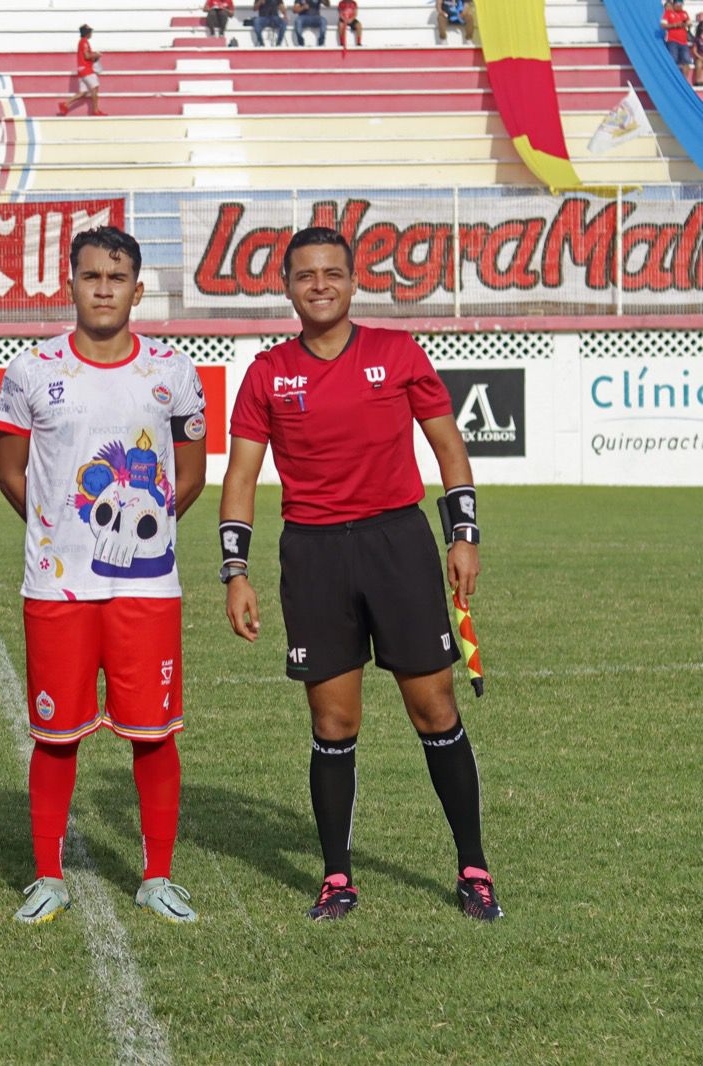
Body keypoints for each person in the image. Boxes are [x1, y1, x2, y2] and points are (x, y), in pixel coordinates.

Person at [219, 226, 503, 923]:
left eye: (332, 273)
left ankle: (474, 867)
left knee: (435, 708)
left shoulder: (397, 353)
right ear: (285, 286)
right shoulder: (266, 373)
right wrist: (235, 570)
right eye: (306, 274)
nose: (320, 284)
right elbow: (243, 475)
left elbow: (447, 445)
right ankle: (337, 878)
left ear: (353, 281)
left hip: (397, 544)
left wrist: (462, 535)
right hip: (313, 553)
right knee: (333, 718)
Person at [0, 226, 208, 925]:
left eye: (117, 278)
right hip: (58, 588)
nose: (104, 289)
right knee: (56, 736)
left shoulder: (172, 370)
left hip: (147, 589)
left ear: (137, 289)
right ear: (72, 284)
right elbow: (8, 469)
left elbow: (195, 468)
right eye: (91, 277)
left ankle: (157, 875)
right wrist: (60, 529)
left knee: (154, 733)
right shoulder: (30, 369)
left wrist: (147, 533)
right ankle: (49, 876)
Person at [58, 24, 105, 116]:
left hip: (81, 70)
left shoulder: (82, 42)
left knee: (83, 92)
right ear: (87, 33)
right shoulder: (84, 42)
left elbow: (86, 55)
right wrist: (96, 55)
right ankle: (95, 110)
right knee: (95, 88)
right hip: (87, 69)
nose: (91, 34)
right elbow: (87, 56)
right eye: (90, 32)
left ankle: (65, 103)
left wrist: (94, 55)